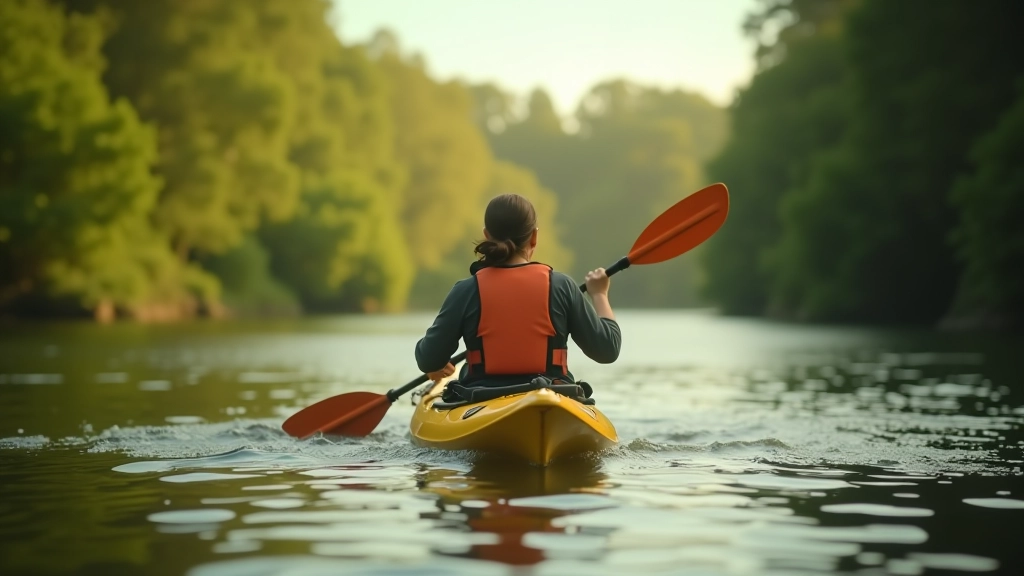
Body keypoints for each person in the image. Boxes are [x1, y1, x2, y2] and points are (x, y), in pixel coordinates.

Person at [415, 193, 620, 387]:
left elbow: (427, 359)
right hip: (552, 394)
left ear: (487, 235)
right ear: (534, 237)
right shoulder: (562, 286)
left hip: (480, 395)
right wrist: (599, 294)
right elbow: (608, 350)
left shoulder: (466, 290)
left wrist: (437, 363)